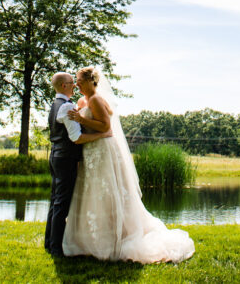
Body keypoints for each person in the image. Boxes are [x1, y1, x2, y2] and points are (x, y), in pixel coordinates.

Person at [61, 66, 195, 263]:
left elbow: (106, 126)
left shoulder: (97, 99)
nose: (77, 83)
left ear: (91, 81)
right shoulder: (82, 101)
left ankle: (115, 238)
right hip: (90, 150)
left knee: (107, 191)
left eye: (80, 80)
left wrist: (81, 118)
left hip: (102, 149)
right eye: (76, 80)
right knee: (93, 191)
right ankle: (90, 239)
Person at [45, 72, 111, 257]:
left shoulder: (55, 104)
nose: (75, 86)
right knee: (62, 203)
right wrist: (102, 135)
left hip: (56, 156)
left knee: (55, 201)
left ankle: (49, 243)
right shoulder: (66, 107)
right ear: (64, 86)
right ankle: (56, 249)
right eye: (72, 83)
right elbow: (76, 137)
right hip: (65, 158)